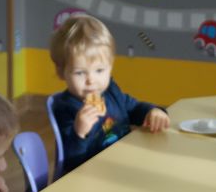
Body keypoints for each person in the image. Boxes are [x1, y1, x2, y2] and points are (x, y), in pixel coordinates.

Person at [49, 15, 170, 174]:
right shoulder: (65, 108)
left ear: (110, 66)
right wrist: (79, 133)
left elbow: (133, 108)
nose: (91, 80)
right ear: (61, 72)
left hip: (122, 165)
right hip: (90, 176)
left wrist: (152, 111)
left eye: (99, 70)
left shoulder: (111, 91)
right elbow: (70, 162)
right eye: (80, 73)